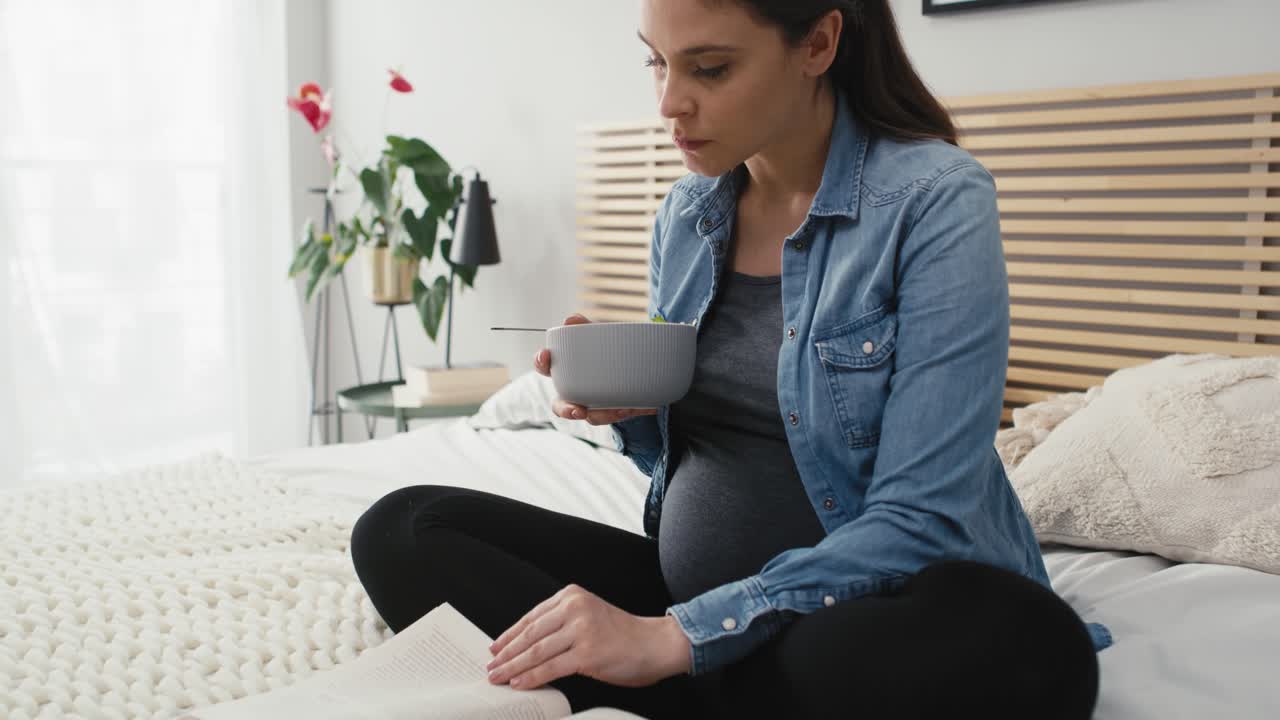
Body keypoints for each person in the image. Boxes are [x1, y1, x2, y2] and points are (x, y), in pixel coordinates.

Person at [350, 1, 1108, 717]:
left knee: (1013, 654)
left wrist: (672, 636)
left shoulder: (935, 201)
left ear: (817, 43)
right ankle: (703, 686)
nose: (670, 103)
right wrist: (635, 414)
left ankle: (668, 677)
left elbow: (924, 517)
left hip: (875, 602)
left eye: (708, 69)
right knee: (404, 528)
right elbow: (700, 457)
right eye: (658, 64)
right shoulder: (688, 214)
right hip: (695, 599)